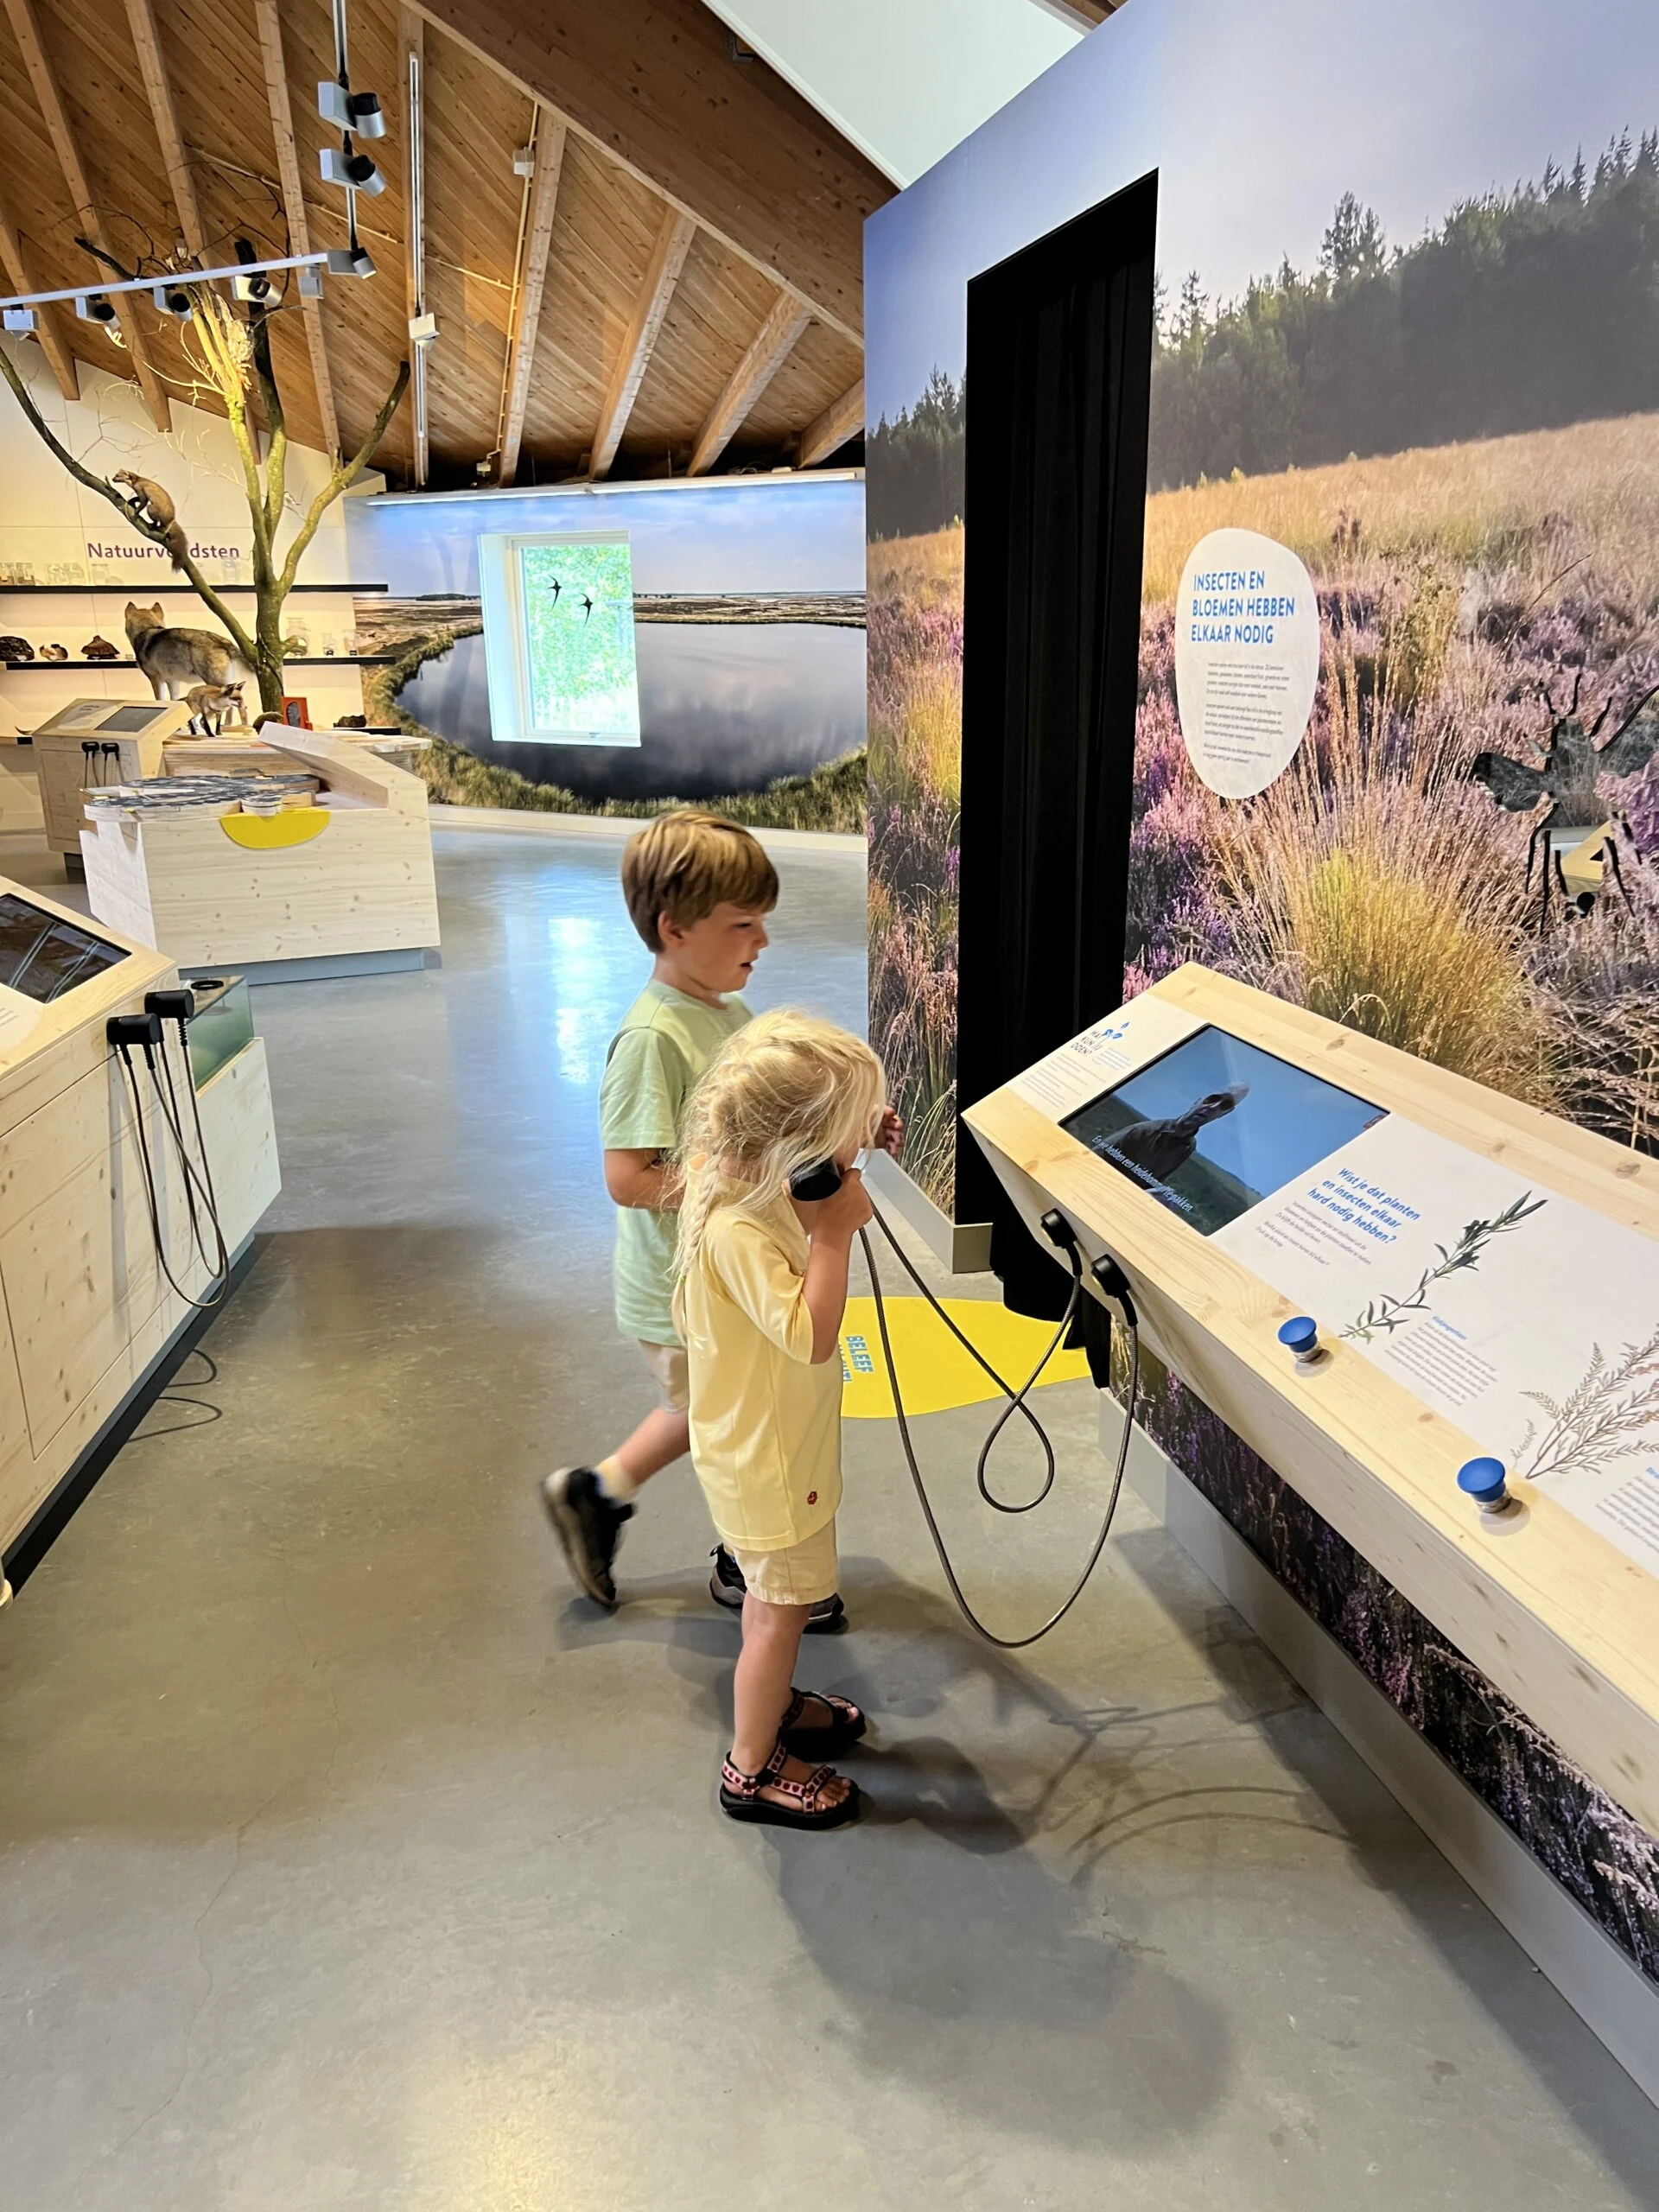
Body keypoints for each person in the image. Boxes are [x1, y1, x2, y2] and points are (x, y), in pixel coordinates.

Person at [541, 809, 849, 1626]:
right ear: (675, 930)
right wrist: (735, 1180)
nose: (763, 940)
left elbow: (759, 1125)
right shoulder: (652, 1040)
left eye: (764, 921)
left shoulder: (726, 1016)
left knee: (713, 1412)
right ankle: (745, 1563)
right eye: (743, 924)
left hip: (733, 1276)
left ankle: (598, 1495)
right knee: (731, 1423)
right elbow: (629, 1178)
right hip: (682, 1288)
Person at [674, 1010, 887, 1829]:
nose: (849, 1154)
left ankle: (773, 1703)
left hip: (759, 1453)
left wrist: (856, 1146)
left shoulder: (733, 1172)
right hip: (772, 1467)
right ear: (795, 1146)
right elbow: (811, 1334)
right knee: (778, 1613)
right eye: (841, 1137)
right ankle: (752, 1766)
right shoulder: (738, 1230)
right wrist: (833, 1233)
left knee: (779, 1603)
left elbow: (801, 1179)